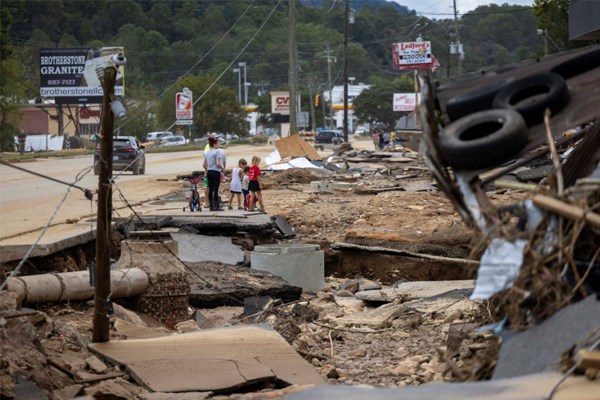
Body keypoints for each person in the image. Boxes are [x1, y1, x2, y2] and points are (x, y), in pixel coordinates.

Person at [203, 137, 225, 211]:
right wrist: (222, 169)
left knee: (210, 189)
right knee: (216, 189)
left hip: (209, 171)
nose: (218, 145)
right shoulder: (217, 152)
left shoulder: (207, 152)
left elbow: (203, 164)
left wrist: (207, 170)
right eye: (217, 143)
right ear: (214, 144)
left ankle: (211, 206)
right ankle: (216, 206)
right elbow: (218, 163)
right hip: (216, 171)